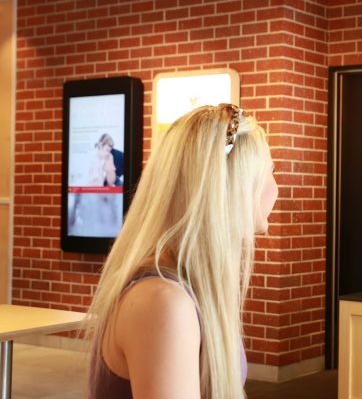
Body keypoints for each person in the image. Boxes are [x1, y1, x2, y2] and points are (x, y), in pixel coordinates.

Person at [85, 104, 278, 398]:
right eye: (269, 172)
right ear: (236, 187)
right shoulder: (163, 301)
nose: (275, 187)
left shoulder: (188, 286)